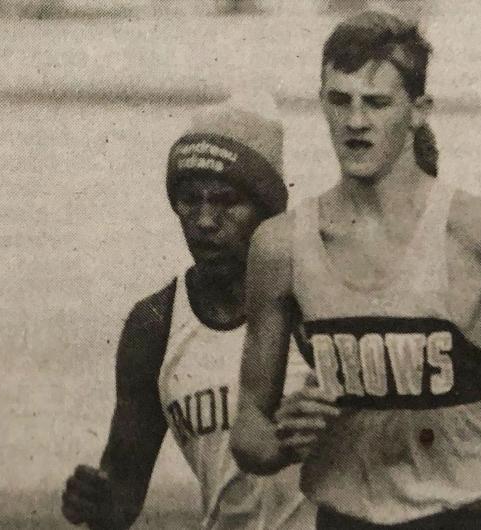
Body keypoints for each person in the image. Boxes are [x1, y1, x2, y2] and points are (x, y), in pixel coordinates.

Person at [230, 10, 481, 530]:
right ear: (322, 104)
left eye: (377, 103)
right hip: (346, 517)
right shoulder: (281, 246)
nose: (356, 122)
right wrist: (281, 441)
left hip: (465, 514)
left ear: (418, 110)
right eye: (339, 101)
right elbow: (249, 427)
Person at [61, 102, 315, 529]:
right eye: (188, 200)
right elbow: (123, 492)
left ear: (268, 209)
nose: (204, 220)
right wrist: (94, 501)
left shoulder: (315, 298)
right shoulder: (155, 324)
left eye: (226, 201)